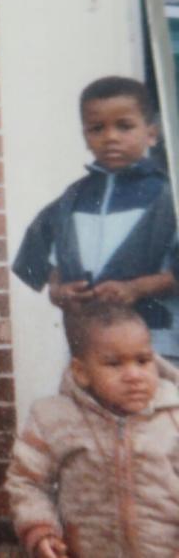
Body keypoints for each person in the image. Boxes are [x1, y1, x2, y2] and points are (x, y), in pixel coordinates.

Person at [12, 76, 179, 365]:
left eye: (124, 126)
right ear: (85, 135)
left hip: (156, 347)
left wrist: (137, 288)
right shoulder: (72, 199)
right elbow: (44, 257)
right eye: (97, 128)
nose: (110, 137)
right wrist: (58, 290)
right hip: (88, 347)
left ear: (151, 133)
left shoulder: (168, 196)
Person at [6, 302, 179, 557]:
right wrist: (41, 530)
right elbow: (27, 482)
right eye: (114, 364)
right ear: (81, 372)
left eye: (143, 361)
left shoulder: (173, 416)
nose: (133, 375)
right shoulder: (53, 419)